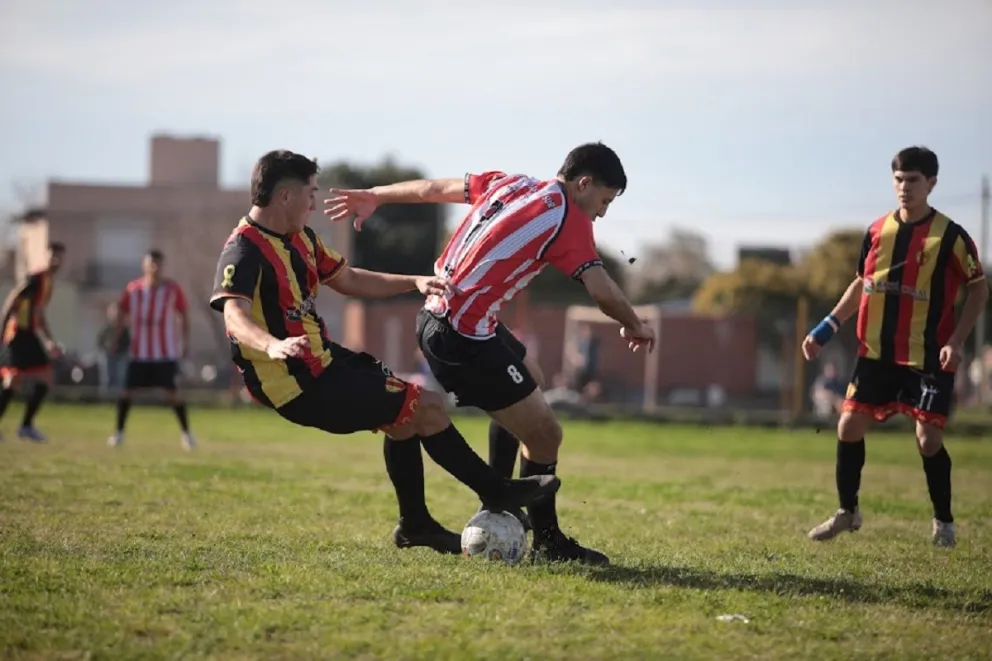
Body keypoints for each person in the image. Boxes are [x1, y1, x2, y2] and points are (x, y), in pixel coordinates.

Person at [210, 150, 559, 553]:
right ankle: (496, 492)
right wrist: (273, 345)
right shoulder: (244, 249)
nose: (314, 202)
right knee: (425, 406)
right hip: (293, 381)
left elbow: (350, 279)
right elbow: (234, 316)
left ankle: (415, 526)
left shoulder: (300, 238)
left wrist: (413, 281)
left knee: (404, 420)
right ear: (285, 197)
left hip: (323, 362)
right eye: (311, 193)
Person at [325, 142, 656, 565]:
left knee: (530, 375)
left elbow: (432, 189)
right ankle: (545, 540)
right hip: (462, 336)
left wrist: (376, 195)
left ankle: (501, 507)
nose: (603, 212)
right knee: (546, 434)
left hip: (445, 318)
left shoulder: (511, 184)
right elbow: (602, 291)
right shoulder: (567, 218)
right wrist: (634, 323)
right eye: (604, 201)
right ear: (583, 184)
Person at [802, 146, 989, 548]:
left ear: (932, 184)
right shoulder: (876, 232)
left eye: (914, 180)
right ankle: (847, 512)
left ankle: (944, 521)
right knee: (848, 427)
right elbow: (861, 284)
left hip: (929, 355)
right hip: (877, 353)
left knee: (928, 440)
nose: (905, 187)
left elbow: (979, 290)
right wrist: (826, 327)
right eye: (899, 180)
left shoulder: (952, 237)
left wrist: (957, 340)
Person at [108, 250, 196, 451]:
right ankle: (119, 434)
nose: (154, 268)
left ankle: (187, 435)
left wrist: (185, 343)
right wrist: (115, 340)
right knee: (126, 393)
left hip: (165, 353)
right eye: (151, 264)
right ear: (144, 265)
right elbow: (121, 314)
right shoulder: (133, 289)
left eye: (158, 264)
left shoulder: (172, 289)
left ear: (162, 266)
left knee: (174, 395)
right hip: (139, 353)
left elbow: (184, 316)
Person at [0, 241, 65, 442]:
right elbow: (11, 302)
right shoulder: (35, 278)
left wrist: (48, 341)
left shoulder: (49, 282)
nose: (56, 260)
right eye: (52, 255)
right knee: (14, 379)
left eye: (59, 256)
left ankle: (26, 426)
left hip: (29, 334)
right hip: (18, 333)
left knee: (35, 379)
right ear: (45, 256)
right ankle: (25, 426)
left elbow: (39, 314)